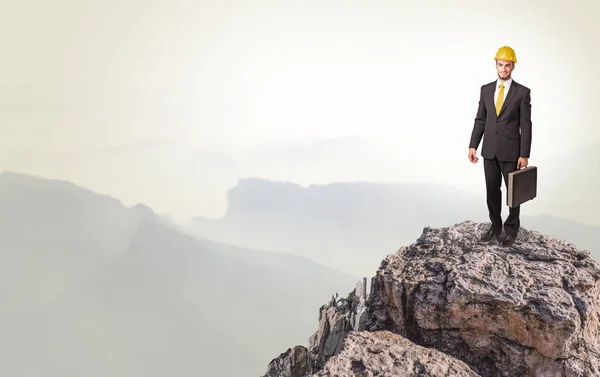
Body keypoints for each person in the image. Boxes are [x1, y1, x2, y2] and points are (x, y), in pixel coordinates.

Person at [468, 45, 532, 247]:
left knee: (513, 193)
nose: (503, 69)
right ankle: (496, 226)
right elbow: (480, 119)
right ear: (496, 65)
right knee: (491, 190)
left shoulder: (522, 93)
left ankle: (511, 229)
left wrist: (524, 153)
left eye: (507, 65)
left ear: (513, 67)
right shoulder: (486, 90)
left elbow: (525, 124)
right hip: (489, 150)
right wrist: (473, 146)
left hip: (512, 151)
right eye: (500, 65)